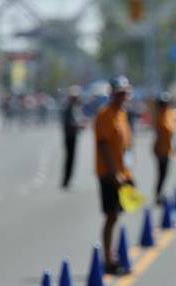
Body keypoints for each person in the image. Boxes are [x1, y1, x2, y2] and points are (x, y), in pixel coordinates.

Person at [94, 75, 134, 274]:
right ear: (112, 94)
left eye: (124, 94)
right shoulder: (105, 115)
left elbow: (125, 147)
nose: (122, 97)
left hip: (122, 173)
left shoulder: (122, 114)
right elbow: (103, 146)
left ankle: (112, 256)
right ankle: (108, 260)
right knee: (111, 215)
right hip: (108, 174)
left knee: (117, 215)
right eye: (119, 94)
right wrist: (114, 173)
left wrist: (127, 172)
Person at [153, 92, 176, 204]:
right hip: (160, 150)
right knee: (161, 174)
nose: (164, 107)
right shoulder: (159, 117)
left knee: (164, 174)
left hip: (167, 149)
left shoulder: (169, 114)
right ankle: (158, 195)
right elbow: (162, 132)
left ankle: (159, 194)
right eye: (162, 104)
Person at [61, 86, 85, 189]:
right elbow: (70, 123)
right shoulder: (69, 108)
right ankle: (66, 180)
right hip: (69, 136)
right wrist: (79, 125)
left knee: (71, 159)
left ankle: (68, 180)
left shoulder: (74, 107)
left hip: (72, 135)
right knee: (69, 158)